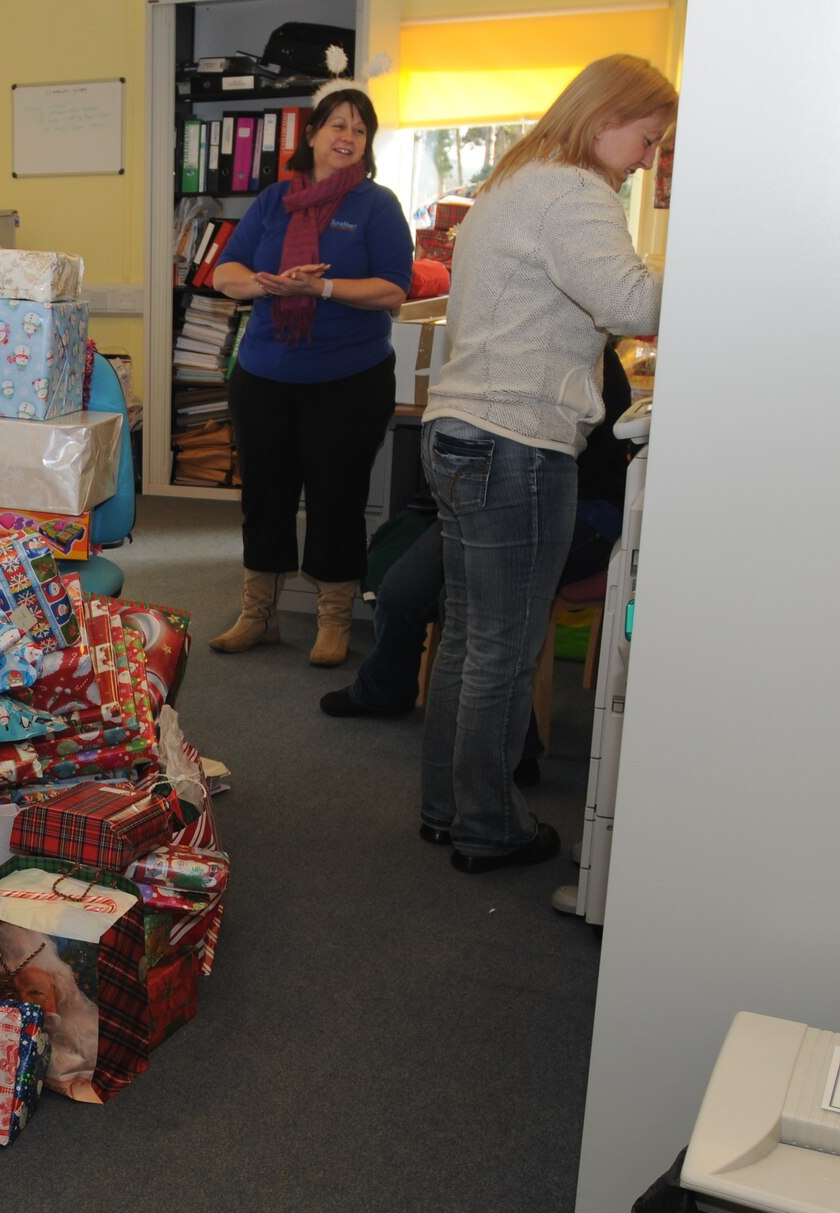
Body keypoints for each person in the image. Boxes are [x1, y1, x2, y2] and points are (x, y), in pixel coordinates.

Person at [417, 54, 674, 874]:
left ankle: (447, 809)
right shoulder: (574, 190)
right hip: (518, 443)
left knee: (467, 638)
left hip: (462, 428)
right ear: (606, 119)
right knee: (504, 648)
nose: (646, 158)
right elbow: (633, 304)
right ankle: (489, 828)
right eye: (647, 138)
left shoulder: (517, 182)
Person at [321, 346, 633, 771]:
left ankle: (509, 754)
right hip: (497, 497)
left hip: (582, 510)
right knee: (399, 590)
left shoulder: (589, 364)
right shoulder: (516, 351)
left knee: (476, 611)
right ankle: (385, 689)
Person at [206, 85, 414, 667]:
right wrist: (266, 284)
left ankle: (333, 621)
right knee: (265, 498)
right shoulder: (275, 200)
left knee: (336, 500)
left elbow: (394, 287)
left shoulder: (378, 205)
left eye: (360, 129)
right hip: (264, 374)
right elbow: (226, 272)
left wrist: (319, 287)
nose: (347, 137)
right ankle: (258, 615)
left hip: (348, 380)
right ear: (314, 134)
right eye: (337, 125)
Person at [0, 921, 99, 1101]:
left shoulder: (84, 1037)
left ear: (58, 993)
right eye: (9, 992)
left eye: (36, 992)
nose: (24, 1003)